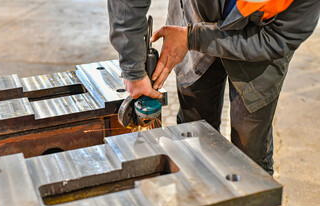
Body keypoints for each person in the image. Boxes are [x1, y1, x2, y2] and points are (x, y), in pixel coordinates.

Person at [107, 0, 320, 175]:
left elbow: (277, 39)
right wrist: (132, 66)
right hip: (193, 16)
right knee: (193, 133)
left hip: (260, 44)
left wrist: (194, 38)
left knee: (250, 154)